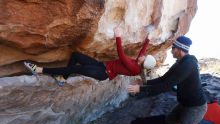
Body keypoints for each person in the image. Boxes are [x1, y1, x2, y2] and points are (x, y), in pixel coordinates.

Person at [127, 36, 207, 124]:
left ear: (179, 50)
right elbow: (163, 79)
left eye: (173, 48)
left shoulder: (188, 65)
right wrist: (145, 83)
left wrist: (140, 89)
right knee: (169, 122)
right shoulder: (180, 62)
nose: (171, 50)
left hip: (195, 107)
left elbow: (165, 86)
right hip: (184, 104)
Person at [24, 26, 156, 85]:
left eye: (144, 58)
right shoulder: (140, 61)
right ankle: (63, 78)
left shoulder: (135, 68)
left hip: (103, 73)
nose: (143, 56)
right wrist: (148, 40)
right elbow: (142, 52)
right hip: (102, 65)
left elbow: (121, 55)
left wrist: (118, 36)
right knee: (76, 55)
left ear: (142, 63)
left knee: (76, 68)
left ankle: (40, 70)